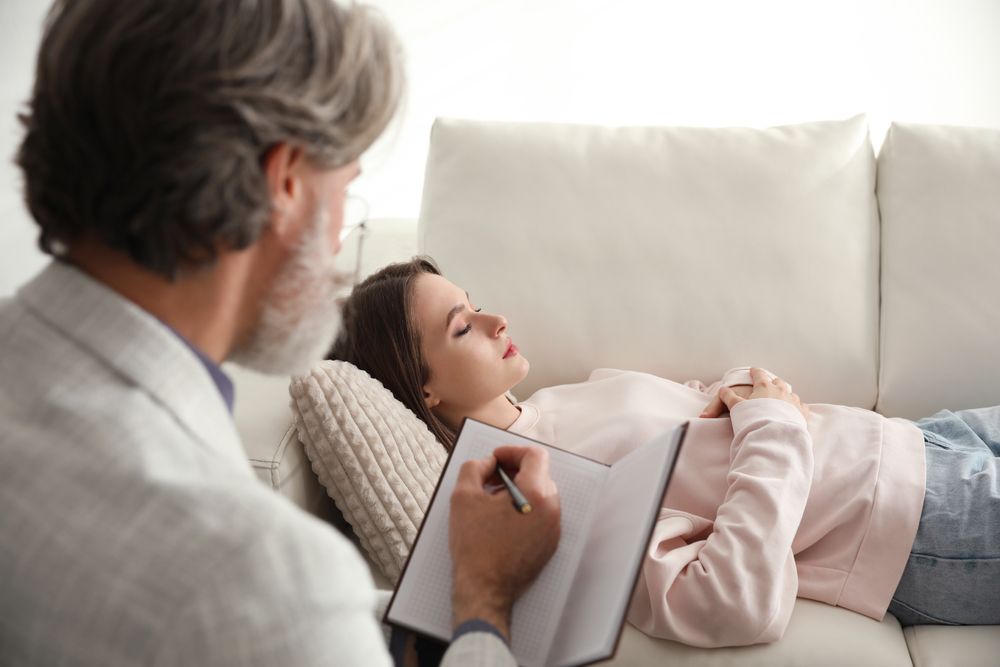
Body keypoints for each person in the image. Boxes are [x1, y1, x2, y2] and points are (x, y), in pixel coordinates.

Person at [0, 1, 560, 665]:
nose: (337, 247)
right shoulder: (266, 582)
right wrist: (483, 595)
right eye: (345, 194)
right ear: (285, 183)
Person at [330, 257, 1000, 647]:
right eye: (463, 327)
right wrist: (769, 420)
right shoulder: (544, 490)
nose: (496, 320)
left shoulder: (562, 401)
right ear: (424, 388)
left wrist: (743, 393)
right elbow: (725, 600)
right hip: (918, 523)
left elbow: (695, 420)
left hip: (915, 438)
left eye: (474, 304)